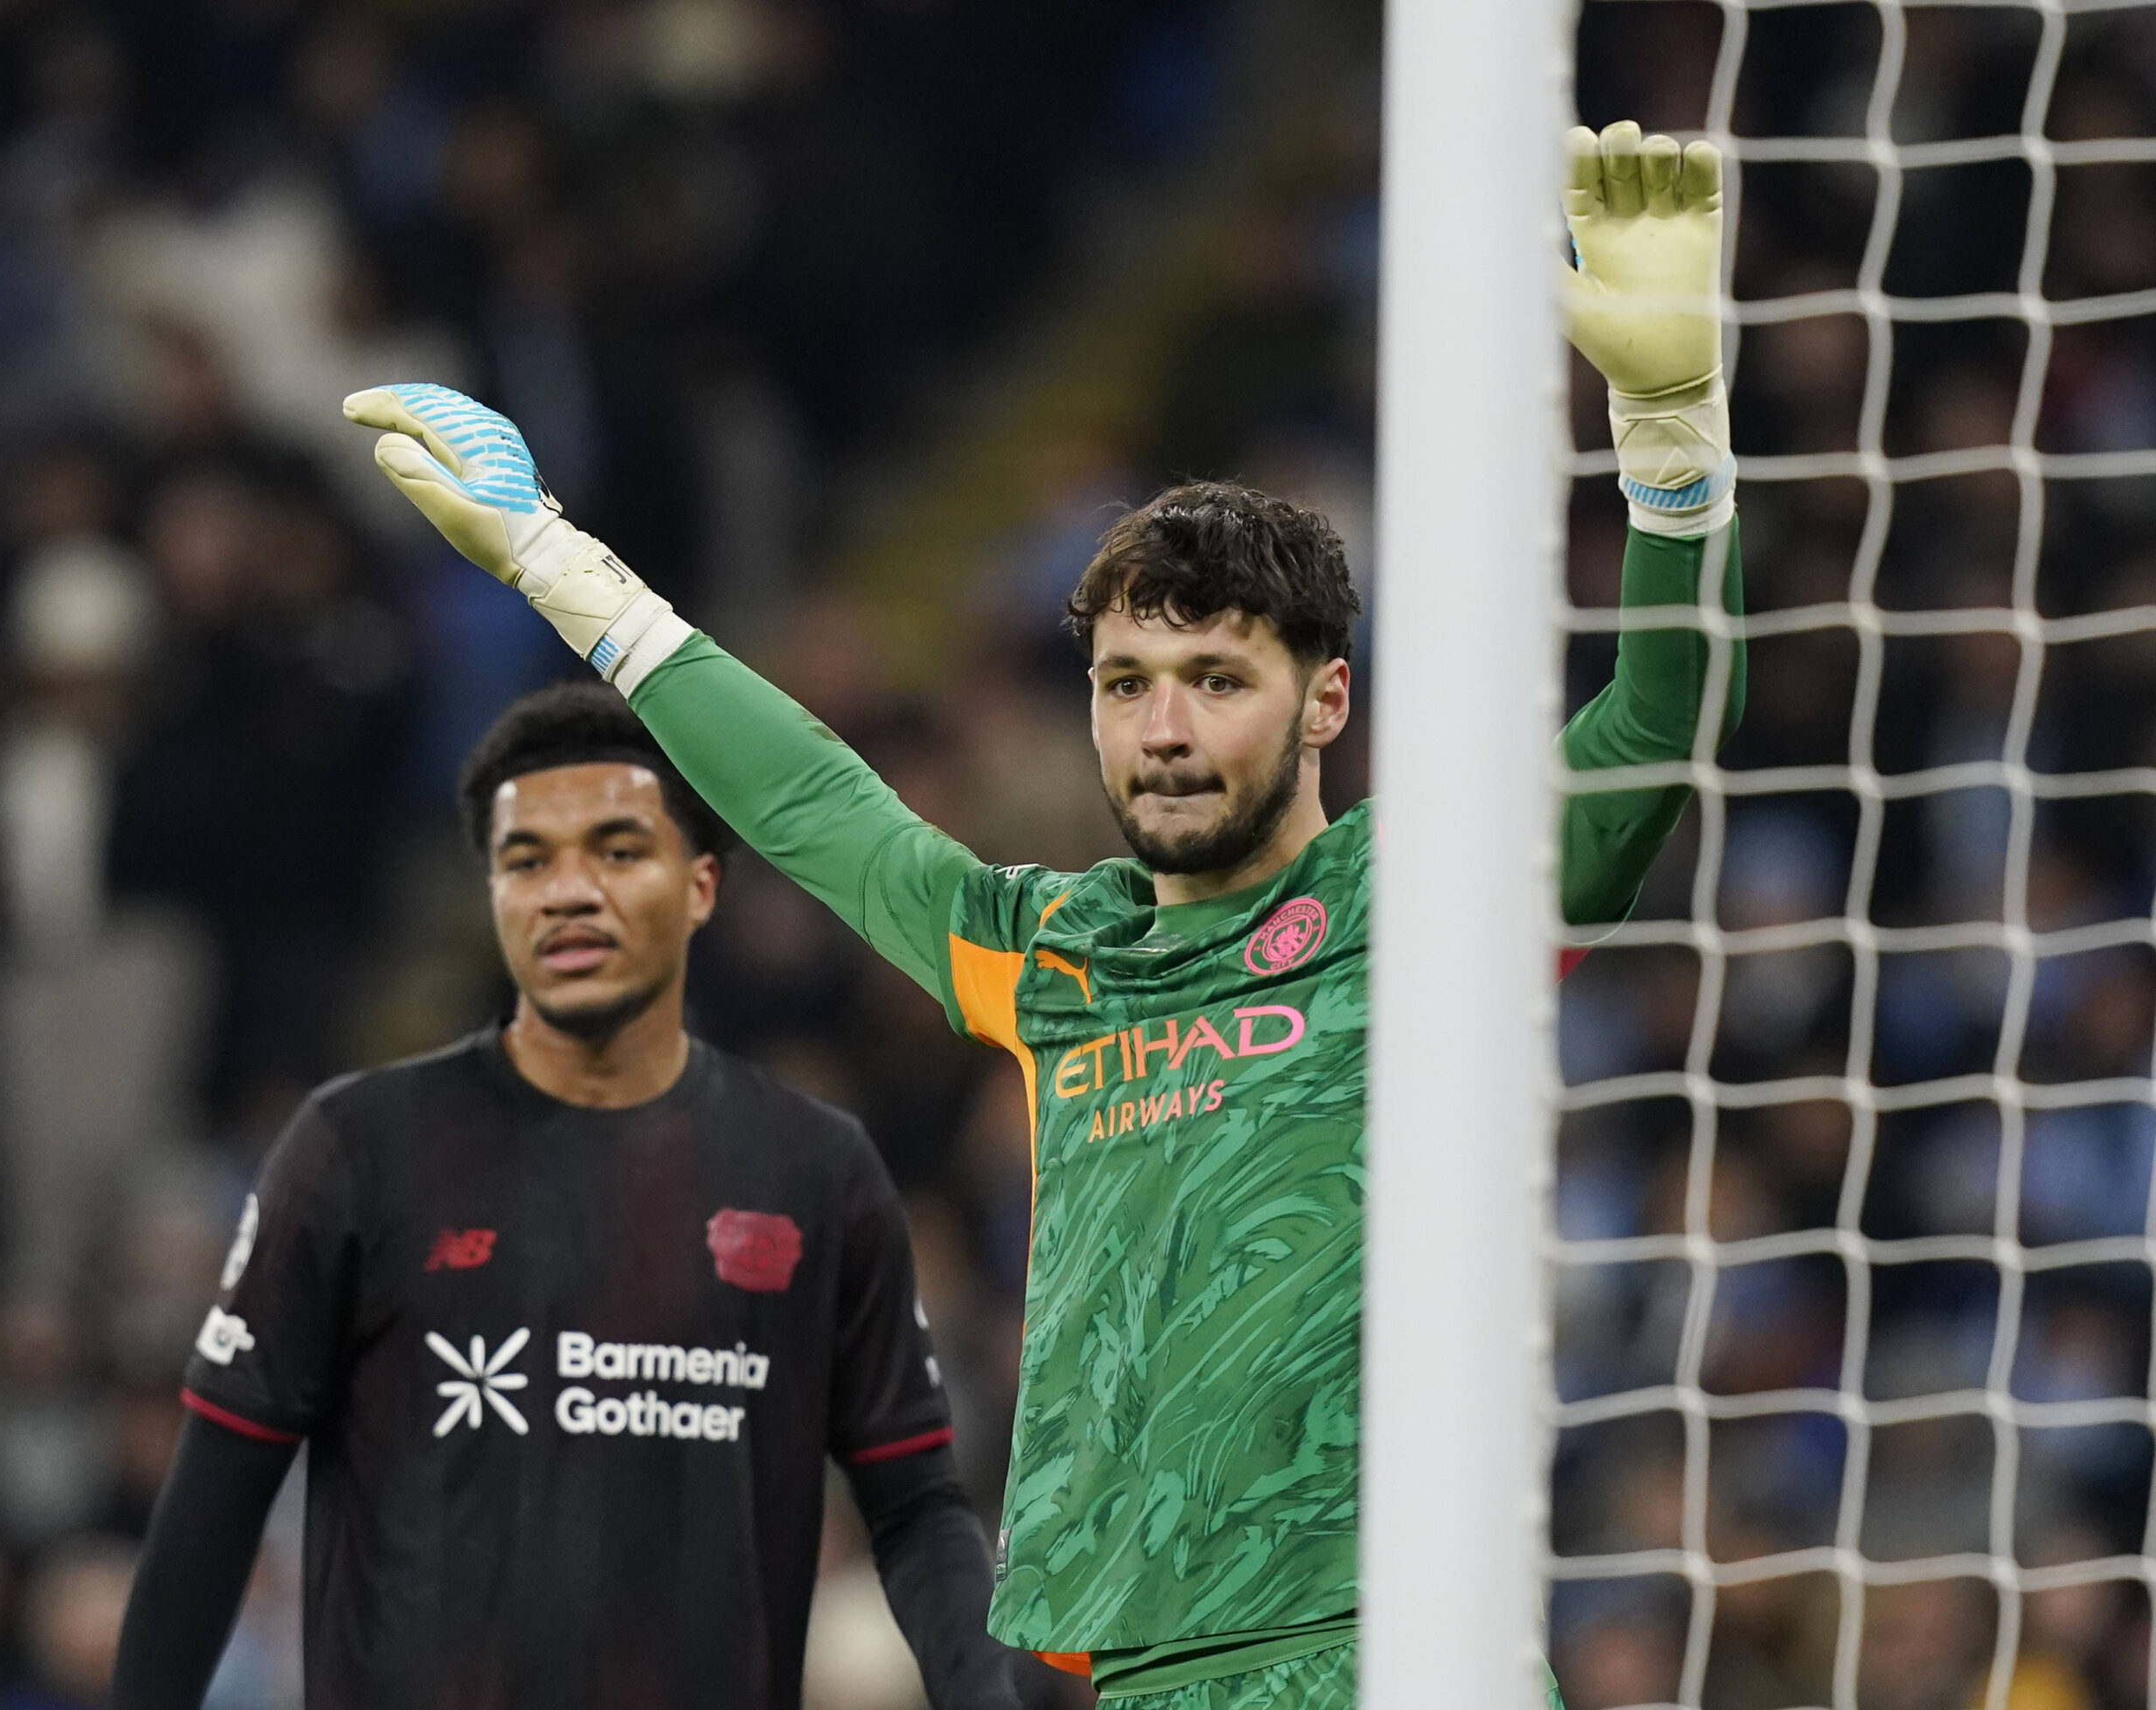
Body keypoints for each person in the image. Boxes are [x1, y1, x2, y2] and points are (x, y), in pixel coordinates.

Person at [340, 122, 1743, 1709]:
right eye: (1127, 683)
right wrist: (557, 560)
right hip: (1145, 1672)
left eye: (1218, 681)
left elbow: (1651, 728)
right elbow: (816, 805)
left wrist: (1670, 430)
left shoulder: (1427, 900)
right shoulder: (1051, 950)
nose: (1163, 726)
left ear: (1325, 699)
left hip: (1397, 1652)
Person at [109, 683, 1020, 1709]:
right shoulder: (357, 1151)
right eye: (527, 860)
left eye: (618, 850)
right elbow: (211, 1510)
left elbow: (916, 1506)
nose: (567, 891)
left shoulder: (813, 1169)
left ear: (702, 886)